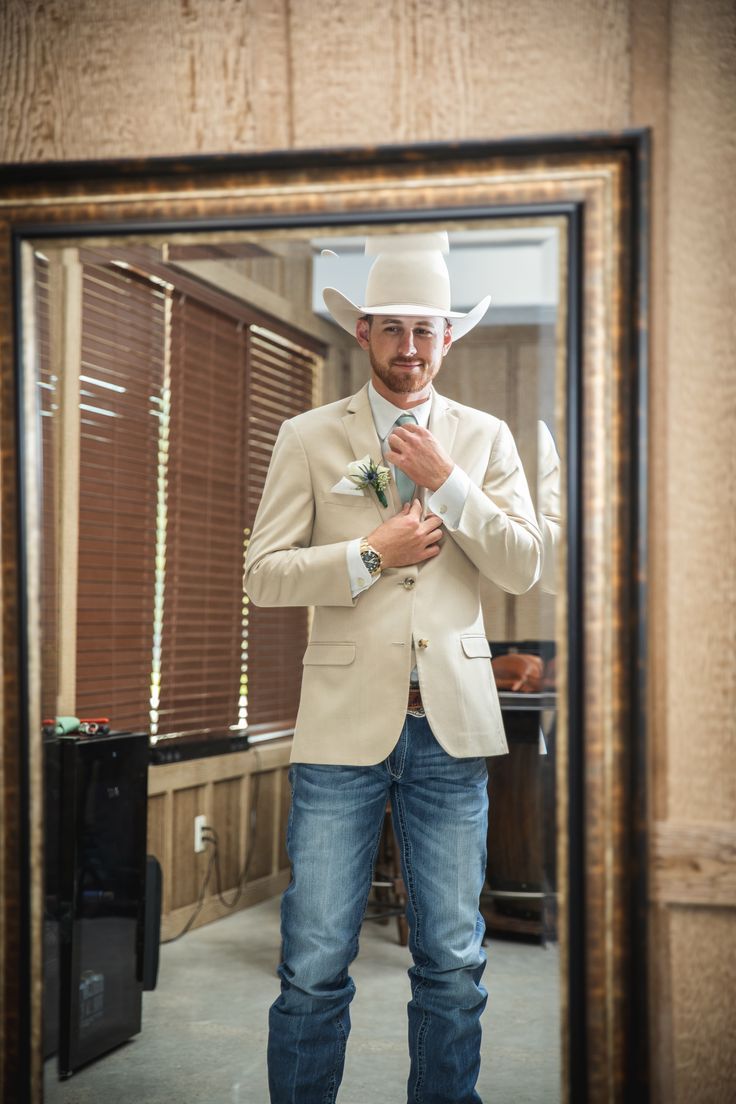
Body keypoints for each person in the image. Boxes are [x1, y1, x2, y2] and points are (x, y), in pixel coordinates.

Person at [244, 232, 543, 1104]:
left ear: (448, 339)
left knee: (453, 964)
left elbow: (524, 564)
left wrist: (450, 485)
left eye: (427, 330)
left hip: (450, 733)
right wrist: (368, 554)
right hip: (341, 730)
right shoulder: (307, 436)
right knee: (312, 964)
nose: (410, 349)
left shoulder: (484, 440)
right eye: (393, 330)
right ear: (364, 330)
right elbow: (264, 575)